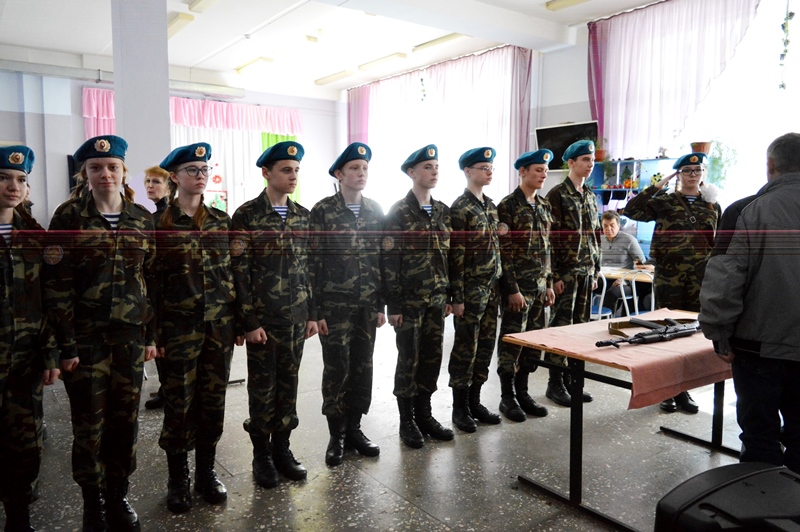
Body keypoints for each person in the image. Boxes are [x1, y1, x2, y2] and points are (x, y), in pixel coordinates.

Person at [45, 135, 157, 532]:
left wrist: (150, 335)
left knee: (125, 423)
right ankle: (92, 503)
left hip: (130, 340)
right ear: (85, 173)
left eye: (112, 167)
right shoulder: (68, 217)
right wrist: (66, 344)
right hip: (86, 342)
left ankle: (118, 495)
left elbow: (151, 280)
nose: (105, 173)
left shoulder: (142, 218)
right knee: (88, 426)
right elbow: (56, 285)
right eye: (96, 167)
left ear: (123, 171)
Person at [699, 132, 800, 474]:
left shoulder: (745, 211)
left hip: (758, 349)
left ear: (770, 165)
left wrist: (719, 335)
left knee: (759, 440)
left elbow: (724, 281)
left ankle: (761, 503)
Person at [155, 143, 241, 513]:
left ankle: (206, 472)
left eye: (204, 169)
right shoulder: (159, 224)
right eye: (192, 169)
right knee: (178, 404)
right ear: (175, 177)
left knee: (213, 401)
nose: (200, 175)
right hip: (177, 329)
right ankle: (178, 478)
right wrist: (154, 334)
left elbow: (232, 274)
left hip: (219, 328)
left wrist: (240, 321)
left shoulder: (221, 221)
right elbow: (150, 282)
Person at [231, 141, 317, 489]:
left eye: (296, 170)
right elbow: (239, 272)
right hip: (264, 321)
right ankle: (261, 454)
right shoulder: (247, 215)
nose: (293, 176)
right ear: (266, 173)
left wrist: (311, 314)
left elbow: (310, 269)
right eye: (285, 170)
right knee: (262, 389)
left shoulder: (303, 216)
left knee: (288, 386)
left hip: (296, 318)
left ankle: (282, 449)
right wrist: (249, 322)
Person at [624, 151, 721, 414]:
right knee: (666, 332)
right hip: (670, 276)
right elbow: (631, 210)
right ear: (678, 174)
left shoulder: (712, 205)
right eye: (687, 171)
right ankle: (666, 390)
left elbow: (719, 241)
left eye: (698, 170)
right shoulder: (665, 202)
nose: (693, 175)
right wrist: (656, 187)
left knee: (690, 334)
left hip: (699, 278)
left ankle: (683, 389)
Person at [309, 142, 384, 466]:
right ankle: (336, 434)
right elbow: (313, 262)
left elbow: (381, 260)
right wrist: (316, 312)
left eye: (364, 168)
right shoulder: (323, 211)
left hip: (367, 306)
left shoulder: (375, 210)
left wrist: (380, 305)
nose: (361, 173)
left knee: (363, 367)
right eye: (354, 168)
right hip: (334, 307)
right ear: (339, 174)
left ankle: (354, 429)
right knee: (337, 369)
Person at [0, 146, 60, 531]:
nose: (14, 186)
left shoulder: (34, 236)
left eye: (21, 179)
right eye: (4, 177)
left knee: (24, 444)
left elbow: (49, 300)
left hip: (24, 361)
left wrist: (50, 354)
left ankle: (18, 518)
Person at [383, 144, 454, 448]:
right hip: (409, 302)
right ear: (411, 172)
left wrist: (450, 295)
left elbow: (450, 258)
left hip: (437, 300)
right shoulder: (398, 212)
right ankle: (406, 420)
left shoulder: (443, 211)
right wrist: (394, 304)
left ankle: (425, 415)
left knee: (432, 357)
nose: (434, 172)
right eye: (427, 167)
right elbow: (389, 261)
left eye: (436, 167)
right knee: (408, 360)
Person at [495, 149, 555, 422]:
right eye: (538, 170)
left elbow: (547, 248)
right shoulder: (507, 206)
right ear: (522, 172)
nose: (543, 175)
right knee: (512, 343)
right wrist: (512, 289)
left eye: (545, 171)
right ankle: (507, 397)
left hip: (539, 289)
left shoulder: (544, 205)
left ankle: (523, 392)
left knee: (532, 344)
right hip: (518, 290)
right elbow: (504, 252)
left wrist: (549, 283)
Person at [447, 147, 502, 433]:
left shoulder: (490, 206)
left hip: (491, 290)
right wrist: (457, 297)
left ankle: (475, 402)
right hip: (470, 291)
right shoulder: (460, 208)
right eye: (483, 167)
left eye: (491, 167)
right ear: (468, 171)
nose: (489, 171)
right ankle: (459, 408)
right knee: (465, 349)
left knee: (485, 348)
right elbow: (455, 257)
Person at [545, 140, 599, 407]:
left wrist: (596, 270)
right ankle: (555, 383)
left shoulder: (590, 195)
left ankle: (573, 381)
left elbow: (595, 235)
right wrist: (554, 276)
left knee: (580, 330)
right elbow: (549, 239)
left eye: (592, 160)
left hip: (586, 273)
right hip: (566, 275)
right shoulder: (557, 194)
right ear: (571, 163)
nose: (591, 164)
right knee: (561, 328)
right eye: (585, 160)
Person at [143, 165, 172, 411]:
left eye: (156, 182)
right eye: (148, 181)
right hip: (156, 293)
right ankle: (165, 390)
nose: (150, 186)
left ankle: (169, 392)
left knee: (166, 348)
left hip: (169, 293)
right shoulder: (153, 217)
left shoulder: (166, 219)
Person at [598, 210, 649, 313]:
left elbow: (642, 265)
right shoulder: (599, 240)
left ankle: (603, 319)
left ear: (618, 225)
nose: (608, 229)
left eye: (612, 225)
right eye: (605, 226)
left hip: (624, 281)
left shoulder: (629, 240)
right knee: (583, 287)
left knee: (612, 293)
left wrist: (626, 280)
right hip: (603, 278)